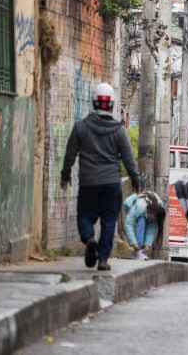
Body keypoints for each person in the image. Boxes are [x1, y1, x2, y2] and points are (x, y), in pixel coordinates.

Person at [61, 83, 141, 272]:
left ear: (93, 103)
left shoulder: (81, 127)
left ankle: (89, 239)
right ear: (112, 105)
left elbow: (70, 154)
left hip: (88, 183)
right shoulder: (119, 131)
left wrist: (65, 176)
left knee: (84, 216)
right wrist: (136, 181)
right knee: (108, 221)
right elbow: (129, 159)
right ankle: (103, 259)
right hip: (112, 184)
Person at [123, 192, 166, 261]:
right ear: (152, 212)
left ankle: (141, 251)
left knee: (148, 222)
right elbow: (128, 224)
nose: (154, 220)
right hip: (133, 208)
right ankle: (138, 252)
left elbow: (151, 230)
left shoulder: (159, 211)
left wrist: (148, 244)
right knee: (142, 220)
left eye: (156, 219)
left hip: (147, 210)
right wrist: (134, 243)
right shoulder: (140, 206)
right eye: (154, 218)